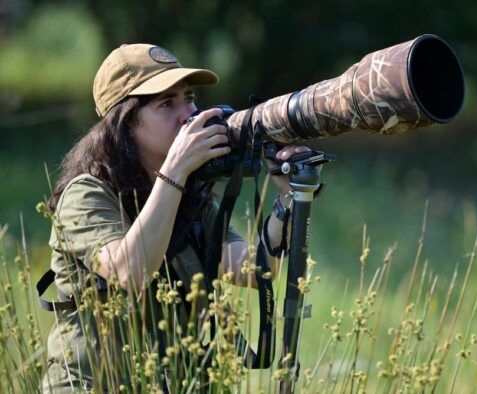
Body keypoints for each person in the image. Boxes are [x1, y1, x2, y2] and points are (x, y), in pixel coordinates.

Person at [41, 43, 304, 392]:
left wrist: (287, 198)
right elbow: (129, 271)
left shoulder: (187, 193)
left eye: (189, 98)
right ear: (124, 124)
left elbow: (254, 271)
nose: (188, 114)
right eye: (167, 104)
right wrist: (176, 170)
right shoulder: (86, 194)